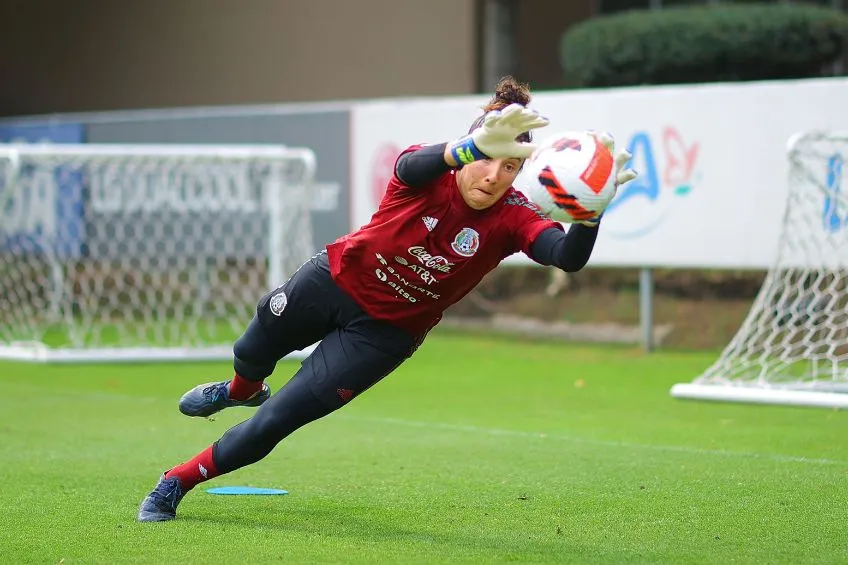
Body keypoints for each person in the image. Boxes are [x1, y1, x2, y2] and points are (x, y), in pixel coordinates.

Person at [137, 76, 637, 522]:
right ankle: (242, 387)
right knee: (249, 352)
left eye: (509, 167)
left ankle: (174, 482)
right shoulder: (430, 174)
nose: (493, 176)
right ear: (470, 149)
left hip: (382, 335)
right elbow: (409, 163)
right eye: (486, 158)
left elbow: (566, 257)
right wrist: (465, 148)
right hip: (334, 280)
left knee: (275, 423)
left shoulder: (513, 214)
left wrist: (591, 213)